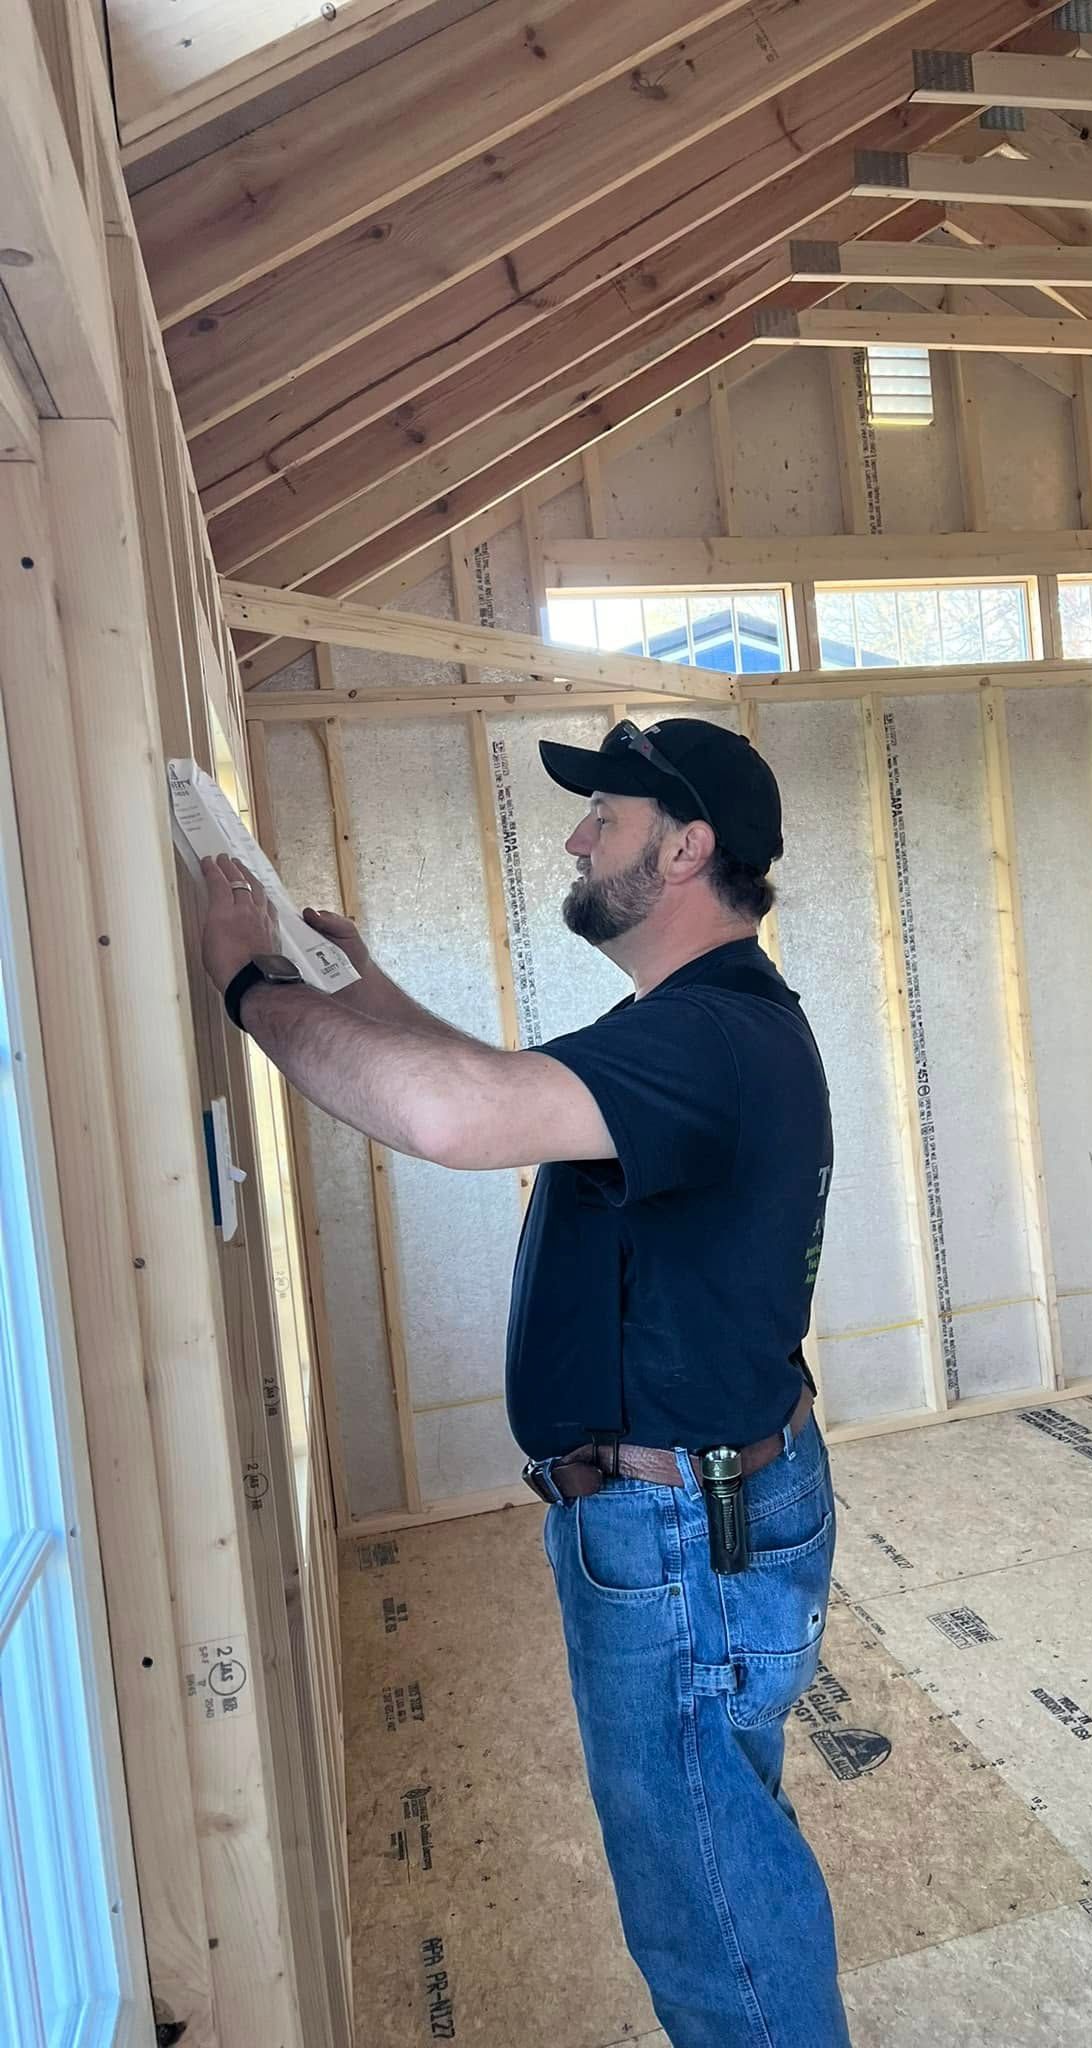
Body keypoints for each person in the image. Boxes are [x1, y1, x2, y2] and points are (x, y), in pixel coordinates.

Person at [197, 716, 849, 2048]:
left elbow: (454, 1118)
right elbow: (498, 1087)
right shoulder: (697, 1024)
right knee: (723, 1854)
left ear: (685, 847)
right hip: (704, 1514)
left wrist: (251, 991)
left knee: (712, 1911)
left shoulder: (709, 1040)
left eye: (602, 816)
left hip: (680, 1540)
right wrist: (358, 989)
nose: (573, 835)